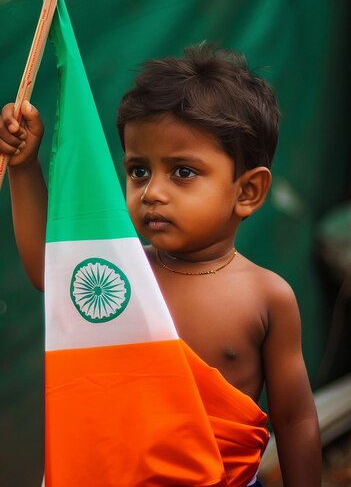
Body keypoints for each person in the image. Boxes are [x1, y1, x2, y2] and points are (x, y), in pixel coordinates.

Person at [0, 44, 321, 486]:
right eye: (138, 171)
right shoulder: (123, 274)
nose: (152, 192)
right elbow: (47, 271)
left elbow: (295, 419)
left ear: (247, 192)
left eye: (183, 172)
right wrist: (23, 167)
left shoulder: (268, 296)